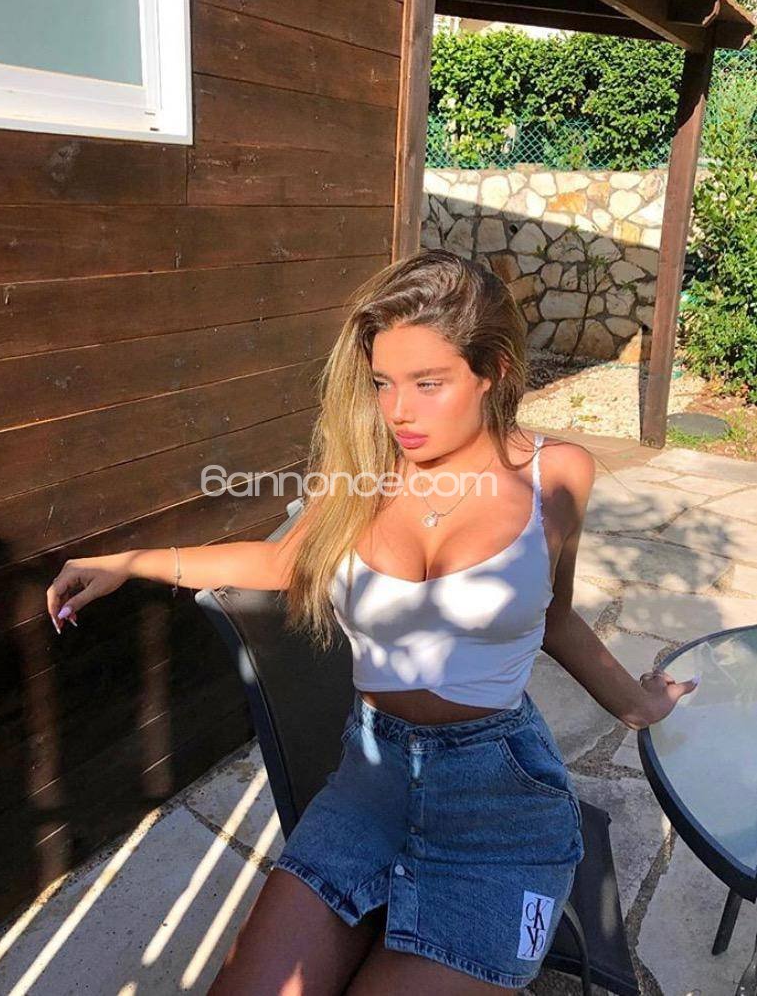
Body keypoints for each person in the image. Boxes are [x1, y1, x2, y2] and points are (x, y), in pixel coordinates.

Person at [46, 250, 698, 995]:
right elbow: (281, 561)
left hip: (497, 798)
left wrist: (636, 704)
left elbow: (552, 613)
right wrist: (131, 561)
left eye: (428, 382)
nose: (398, 411)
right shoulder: (364, 470)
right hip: (370, 779)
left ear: (491, 371)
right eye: (383, 382)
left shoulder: (558, 475)